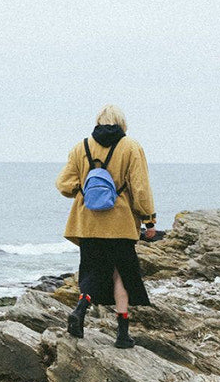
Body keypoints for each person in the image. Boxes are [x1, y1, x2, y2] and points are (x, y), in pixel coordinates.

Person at [55, 104, 156, 348]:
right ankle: (122, 335)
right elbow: (140, 188)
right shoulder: (131, 147)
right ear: (122, 122)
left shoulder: (82, 147)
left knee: (91, 271)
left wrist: (85, 190)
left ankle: (79, 311)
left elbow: (63, 185)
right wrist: (148, 219)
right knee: (121, 274)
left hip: (87, 223)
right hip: (120, 224)